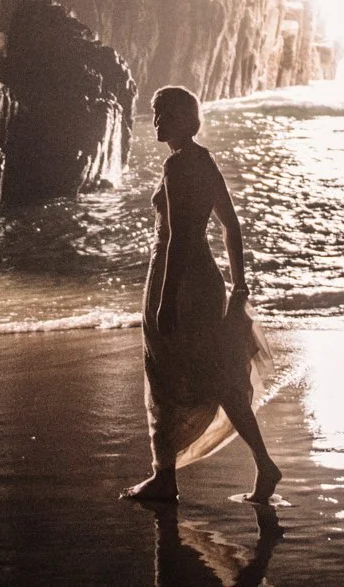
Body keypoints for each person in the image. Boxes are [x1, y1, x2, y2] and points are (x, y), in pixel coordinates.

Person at [122, 85, 281, 504]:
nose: (158, 122)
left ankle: (165, 479)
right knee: (219, 375)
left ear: (186, 120)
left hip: (178, 281)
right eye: (155, 115)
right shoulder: (205, 160)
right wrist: (238, 283)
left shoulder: (177, 167)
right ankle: (264, 465)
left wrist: (165, 300)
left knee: (164, 377)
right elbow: (232, 226)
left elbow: (175, 240)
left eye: (166, 115)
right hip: (207, 282)